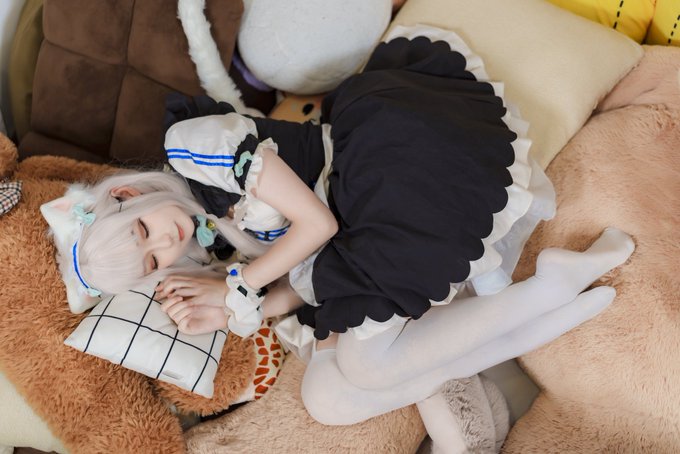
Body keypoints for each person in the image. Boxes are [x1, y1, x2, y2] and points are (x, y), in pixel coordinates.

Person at [69, 25, 634, 450]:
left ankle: (544, 297)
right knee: (326, 399)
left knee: (367, 367)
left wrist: (239, 285)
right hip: (344, 250)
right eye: (153, 261)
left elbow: (318, 224)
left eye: (143, 230)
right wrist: (237, 307)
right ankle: (537, 309)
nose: (164, 242)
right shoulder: (207, 240)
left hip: (370, 176)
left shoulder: (193, 145)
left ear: (127, 195)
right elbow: (302, 283)